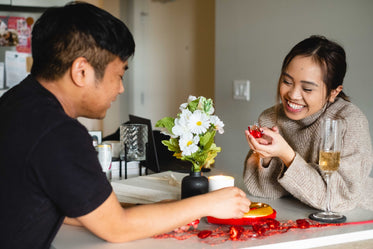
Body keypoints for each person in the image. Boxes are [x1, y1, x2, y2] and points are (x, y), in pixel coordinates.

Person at [0, 2, 251, 249]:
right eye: (119, 75)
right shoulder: (58, 132)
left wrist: (164, 212)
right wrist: (209, 203)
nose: (121, 88)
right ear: (81, 72)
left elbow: (74, 207)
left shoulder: (16, 102)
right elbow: (117, 228)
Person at [243, 35, 373, 212]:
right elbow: (262, 191)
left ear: (334, 92)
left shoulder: (348, 123)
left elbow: (338, 200)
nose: (293, 95)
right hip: (300, 216)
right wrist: (266, 157)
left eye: (307, 89)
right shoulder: (270, 118)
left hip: (358, 220)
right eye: (287, 81)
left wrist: (287, 155)